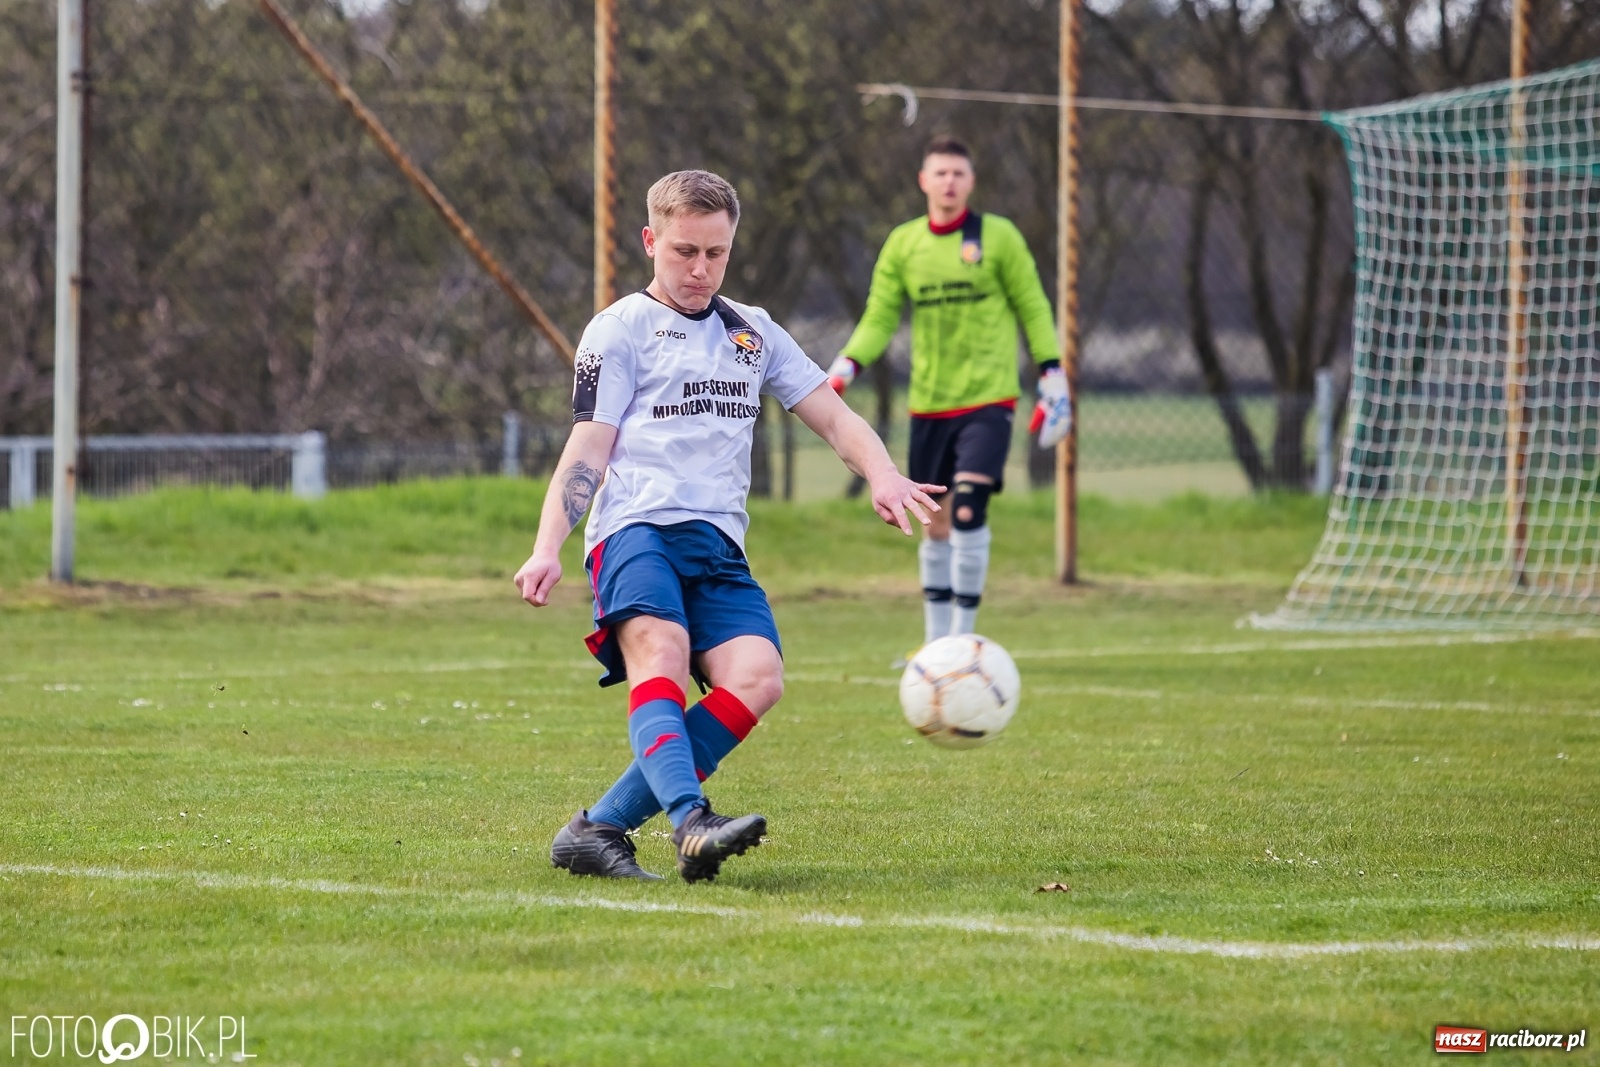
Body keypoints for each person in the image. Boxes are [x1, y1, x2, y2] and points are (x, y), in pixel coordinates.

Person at [514, 170, 943, 883]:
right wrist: (546, 546)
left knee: (758, 676)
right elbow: (588, 447)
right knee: (664, 650)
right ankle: (691, 821)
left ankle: (597, 829)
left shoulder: (752, 330)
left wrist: (882, 472)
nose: (701, 269)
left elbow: (833, 416)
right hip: (635, 529)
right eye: (685, 251)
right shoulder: (617, 330)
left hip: (716, 543)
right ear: (651, 241)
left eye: (716, 253)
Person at [829, 135, 1070, 651]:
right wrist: (844, 367)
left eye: (958, 173)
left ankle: (965, 642)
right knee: (934, 523)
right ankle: (937, 647)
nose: (949, 182)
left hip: (989, 398)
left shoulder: (998, 237)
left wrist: (1052, 374)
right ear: (923, 181)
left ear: (971, 182)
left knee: (969, 507)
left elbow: (1033, 305)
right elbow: (880, 316)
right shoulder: (904, 244)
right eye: (940, 173)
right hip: (930, 404)